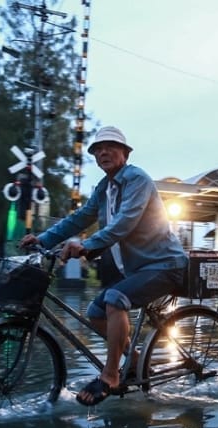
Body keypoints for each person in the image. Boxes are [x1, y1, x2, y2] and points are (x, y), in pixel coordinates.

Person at [20, 126, 188, 406]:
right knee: (96, 312)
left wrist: (87, 245)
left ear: (125, 152)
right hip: (140, 270)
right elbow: (80, 218)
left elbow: (125, 222)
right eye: (97, 149)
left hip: (166, 264)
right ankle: (134, 362)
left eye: (110, 147)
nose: (103, 152)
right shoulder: (104, 188)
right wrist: (44, 239)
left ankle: (111, 376)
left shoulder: (137, 179)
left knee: (114, 299)